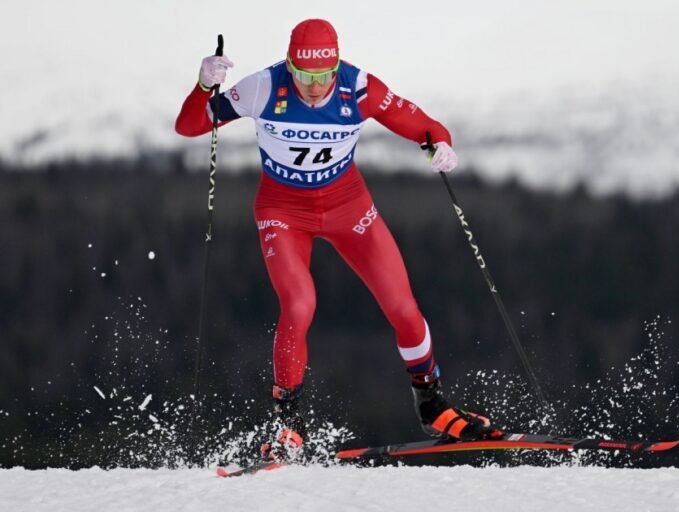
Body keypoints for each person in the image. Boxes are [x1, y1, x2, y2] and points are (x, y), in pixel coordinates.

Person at [176, 18, 499, 460]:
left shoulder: (358, 87)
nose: (314, 87)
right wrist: (202, 85)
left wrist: (439, 145)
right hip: (283, 211)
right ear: (290, 66)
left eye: (324, 76)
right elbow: (190, 125)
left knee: (403, 307)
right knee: (299, 304)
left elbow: (421, 123)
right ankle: (288, 425)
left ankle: (433, 405)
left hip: (348, 207)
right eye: (305, 76)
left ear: (336, 66)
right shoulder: (263, 87)